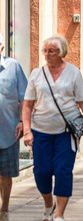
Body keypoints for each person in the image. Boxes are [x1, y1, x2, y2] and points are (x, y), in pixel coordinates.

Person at [22, 35, 83, 221]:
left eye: (51, 51)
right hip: (41, 132)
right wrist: (27, 130)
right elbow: (27, 105)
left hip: (66, 133)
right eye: (45, 51)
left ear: (61, 52)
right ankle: (48, 203)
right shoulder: (36, 74)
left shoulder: (73, 73)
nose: (46, 55)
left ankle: (59, 215)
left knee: (63, 171)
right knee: (41, 172)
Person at [0, 34, 27, 220]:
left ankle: (5, 208)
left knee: (5, 174)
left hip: (8, 130)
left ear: (1, 48)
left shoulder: (14, 67)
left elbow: (24, 97)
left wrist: (23, 122)